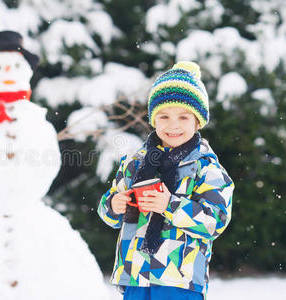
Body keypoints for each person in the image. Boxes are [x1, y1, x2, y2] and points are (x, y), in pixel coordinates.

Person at [98, 61, 234, 299]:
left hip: (179, 279)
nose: (173, 125)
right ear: (153, 120)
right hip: (135, 274)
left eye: (183, 117)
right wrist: (112, 205)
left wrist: (170, 205)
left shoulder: (206, 168)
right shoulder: (135, 163)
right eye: (164, 116)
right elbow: (108, 210)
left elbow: (215, 221)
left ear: (197, 121)